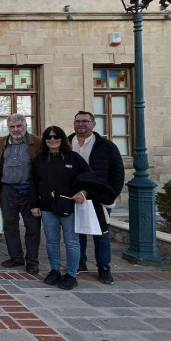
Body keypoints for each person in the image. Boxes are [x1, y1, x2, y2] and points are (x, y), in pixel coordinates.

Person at [30, 126, 111, 291]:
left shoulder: (73, 158)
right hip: (47, 207)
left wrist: (83, 192)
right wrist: (34, 204)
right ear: (45, 140)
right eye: (49, 137)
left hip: (69, 207)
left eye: (56, 137)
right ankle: (55, 270)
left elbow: (89, 178)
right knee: (51, 241)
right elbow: (33, 183)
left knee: (71, 241)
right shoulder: (39, 159)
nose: (52, 140)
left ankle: (72, 274)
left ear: (62, 139)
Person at [72, 111, 124, 285]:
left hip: (98, 197)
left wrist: (111, 194)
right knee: (77, 232)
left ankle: (104, 268)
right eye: (78, 121)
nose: (81, 124)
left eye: (85, 121)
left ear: (93, 124)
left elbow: (117, 173)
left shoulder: (106, 146)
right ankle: (80, 263)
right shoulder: (66, 142)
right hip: (73, 196)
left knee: (101, 234)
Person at [0, 114, 42, 275]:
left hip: (30, 191)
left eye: (19, 126)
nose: (16, 129)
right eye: (12, 126)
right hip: (8, 190)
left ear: (25, 126)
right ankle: (16, 257)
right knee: (10, 226)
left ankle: (32, 261)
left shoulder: (36, 143)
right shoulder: (1, 143)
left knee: (32, 227)